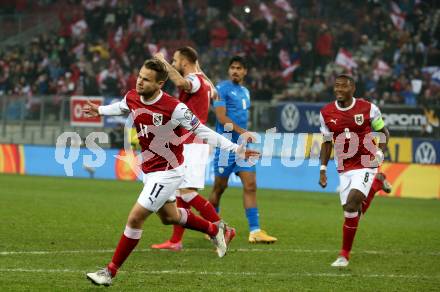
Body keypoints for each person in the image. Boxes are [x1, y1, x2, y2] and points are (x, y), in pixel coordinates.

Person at [83, 58, 259, 286]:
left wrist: (236, 149)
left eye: (146, 80)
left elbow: (204, 131)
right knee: (170, 217)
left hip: (168, 171)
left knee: (135, 218)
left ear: (160, 84)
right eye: (139, 76)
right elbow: (121, 106)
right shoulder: (133, 96)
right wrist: (99, 110)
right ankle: (215, 230)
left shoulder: (175, 108)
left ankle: (109, 272)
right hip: (149, 170)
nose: (140, 82)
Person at [150, 47, 235, 251]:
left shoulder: (195, 82)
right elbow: (213, 91)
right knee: (181, 192)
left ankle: (224, 229)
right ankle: (176, 241)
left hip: (192, 143)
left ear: (184, 62)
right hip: (190, 143)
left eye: (176, 60)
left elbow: (181, 82)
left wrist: (163, 63)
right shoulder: (204, 82)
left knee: (187, 193)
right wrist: (198, 68)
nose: (174, 62)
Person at [319, 74, 392, 268]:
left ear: (353, 88)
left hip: (367, 162)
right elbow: (326, 143)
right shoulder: (326, 113)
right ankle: (376, 185)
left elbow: (384, 133)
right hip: (344, 168)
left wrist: (380, 152)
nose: (339, 90)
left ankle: (344, 255)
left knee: (351, 204)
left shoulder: (368, 108)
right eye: (336, 86)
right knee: (352, 212)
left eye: (343, 86)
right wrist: (323, 169)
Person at [209, 56, 277, 244]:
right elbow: (221, 117)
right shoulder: (220, 89)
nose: (235, 71)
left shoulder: (245, 92)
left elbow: (241, 117)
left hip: (243, 148)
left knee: (250, 185)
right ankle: (212, 227)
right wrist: (243, 132)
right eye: (232, 68)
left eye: (239, 68)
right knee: (219, 188)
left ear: (245, 71)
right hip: (225, 147)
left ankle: (255, 231)